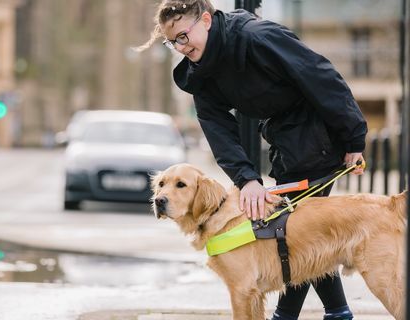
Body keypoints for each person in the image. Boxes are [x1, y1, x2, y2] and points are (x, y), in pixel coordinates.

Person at [138, 1, 367, 319]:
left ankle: (298, 315)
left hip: (316, 129)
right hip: (282, 138)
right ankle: (338, 312)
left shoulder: (256, 37)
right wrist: (247, 180)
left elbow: (320, 76)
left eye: (183, 36)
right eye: (171, 41)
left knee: (291, 233)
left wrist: (353, 136)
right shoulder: (200, 74)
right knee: (303, 232)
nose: (180, 46)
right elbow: (219, 132)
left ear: (205, 20)